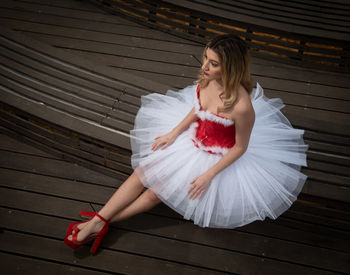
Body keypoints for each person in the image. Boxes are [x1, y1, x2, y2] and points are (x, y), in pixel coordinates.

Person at [64, 33, 308, 254]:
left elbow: (240, 148)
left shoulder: (242, 107)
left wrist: (208, 175)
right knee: (142, 173)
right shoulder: (207, 81)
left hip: (216, 157)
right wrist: (174, 132)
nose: (205, 66)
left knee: (155, 193)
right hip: (192, 141)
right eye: (205, 58)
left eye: (213, 63)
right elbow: (197, 109)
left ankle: (101, 223)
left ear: (230, 67)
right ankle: (97, 221)